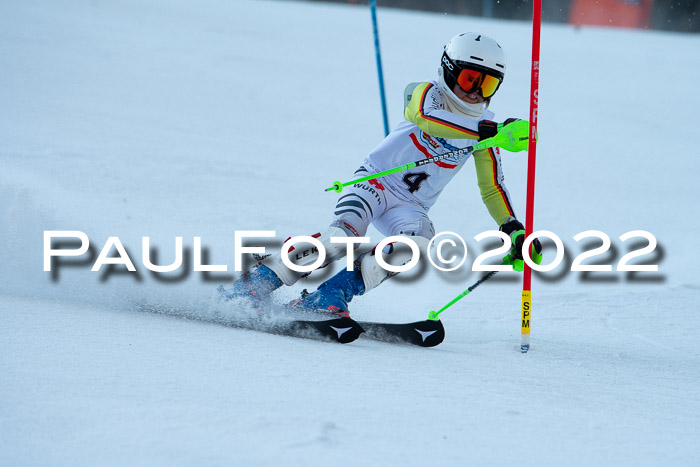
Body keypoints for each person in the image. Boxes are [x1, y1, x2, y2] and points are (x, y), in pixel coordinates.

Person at [221, 32, 542, 316]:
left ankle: (330, 295)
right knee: (344, 237)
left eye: (486, 84)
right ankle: (257, 283)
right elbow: (426, 118)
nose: (475, 92)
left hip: (410, 208)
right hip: (373, 182)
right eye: (470, 78)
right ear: (449, 69)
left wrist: (513, 229)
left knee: (414, 247)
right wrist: (491, 129)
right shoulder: (427, 94)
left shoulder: (487, 134)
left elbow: (492, 188)